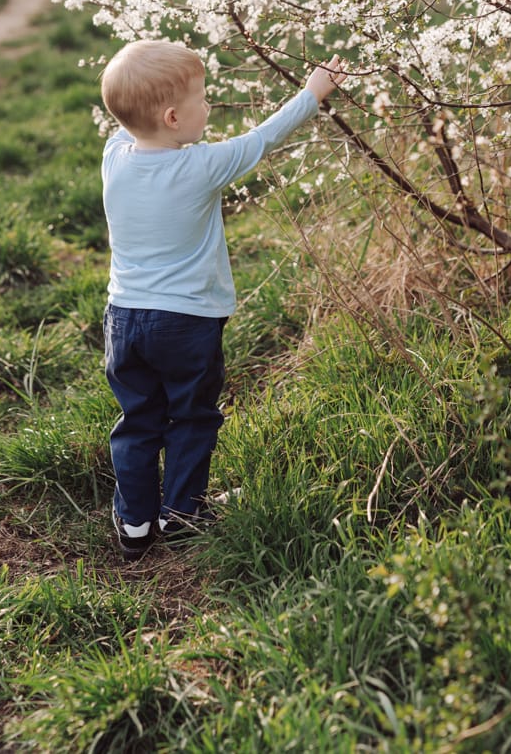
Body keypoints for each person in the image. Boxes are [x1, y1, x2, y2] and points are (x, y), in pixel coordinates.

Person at [99, 39, 347, 560]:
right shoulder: (202, 166)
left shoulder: (114, 157)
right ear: (172, 117)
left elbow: (129, 124)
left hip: (123, 319)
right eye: (201, 98)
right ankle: (182, 512)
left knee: (138, 419)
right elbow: (264, 138)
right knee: (191, 416)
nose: (209, 106)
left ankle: (135, 522)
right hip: (186, 322)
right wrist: (312, 93)